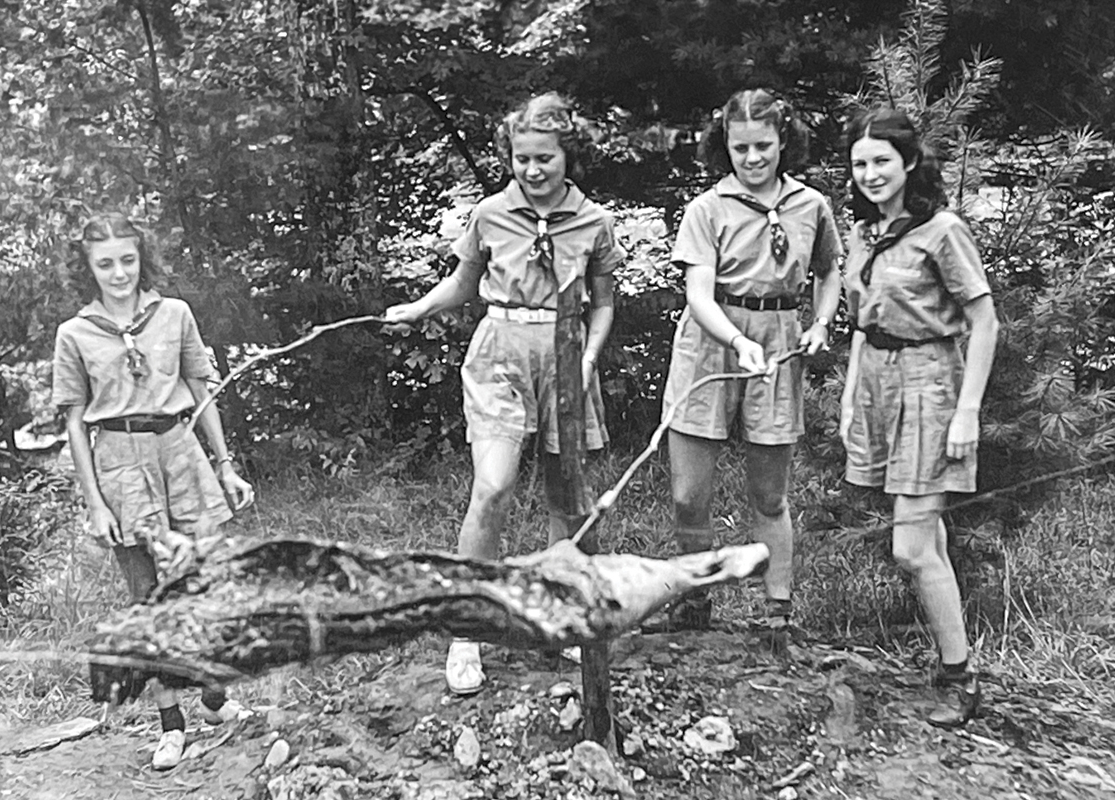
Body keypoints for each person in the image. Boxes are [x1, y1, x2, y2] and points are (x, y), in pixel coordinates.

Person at [384, 93, 624, 695]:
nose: (533, 170)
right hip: (500, 352)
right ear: (509, 156)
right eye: (522, 159)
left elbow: (604, 303)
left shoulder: (594, 221)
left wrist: (589, 357)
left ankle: (556, 613)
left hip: (567, 357)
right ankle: (469, 629)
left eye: (545, 158)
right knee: (492, 486)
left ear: (570, 155)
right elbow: (464, 284)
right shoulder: (492, 214)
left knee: (565, 498)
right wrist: (417, 308)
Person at [52, 213, 255, 769]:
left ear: (143, 258)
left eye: (127, 260)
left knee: (201, 583)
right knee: (147, 596)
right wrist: (95, 503)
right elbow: (74, 423)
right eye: (105, 264)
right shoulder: (75, 334)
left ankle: (214, 697)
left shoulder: (175, 315)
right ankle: (171, 723)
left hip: (180, 452)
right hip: (119, 463)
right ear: (87, 269)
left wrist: (226, 465)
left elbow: (201, 388)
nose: (118, 273)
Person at [655, 89, 842, 639]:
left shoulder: (811, 206)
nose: (753, 157)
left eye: (764, 145)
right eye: (741, 148)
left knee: (769, 494)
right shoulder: (708, 209)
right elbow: (699, 295)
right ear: (725, 146)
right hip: (713, 342)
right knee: (689, 494)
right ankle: (695, 600)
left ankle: (778, 612)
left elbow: (829, 271)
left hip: (779, 340)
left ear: (784, 141)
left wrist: (821, 323)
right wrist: (738, 341)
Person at [840, 107, 998, 728]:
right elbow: (862, 324)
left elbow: (984, 322)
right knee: (926, 539)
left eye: (882, 160)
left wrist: (968, 412)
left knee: (910, 546)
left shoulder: (942, 230)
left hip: (932, 384)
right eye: (860, 163)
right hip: (879, 383)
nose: (871, 173)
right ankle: (952, 666)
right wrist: (853, 395)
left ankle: (960, 678)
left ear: (908, 162)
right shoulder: (862, 233)